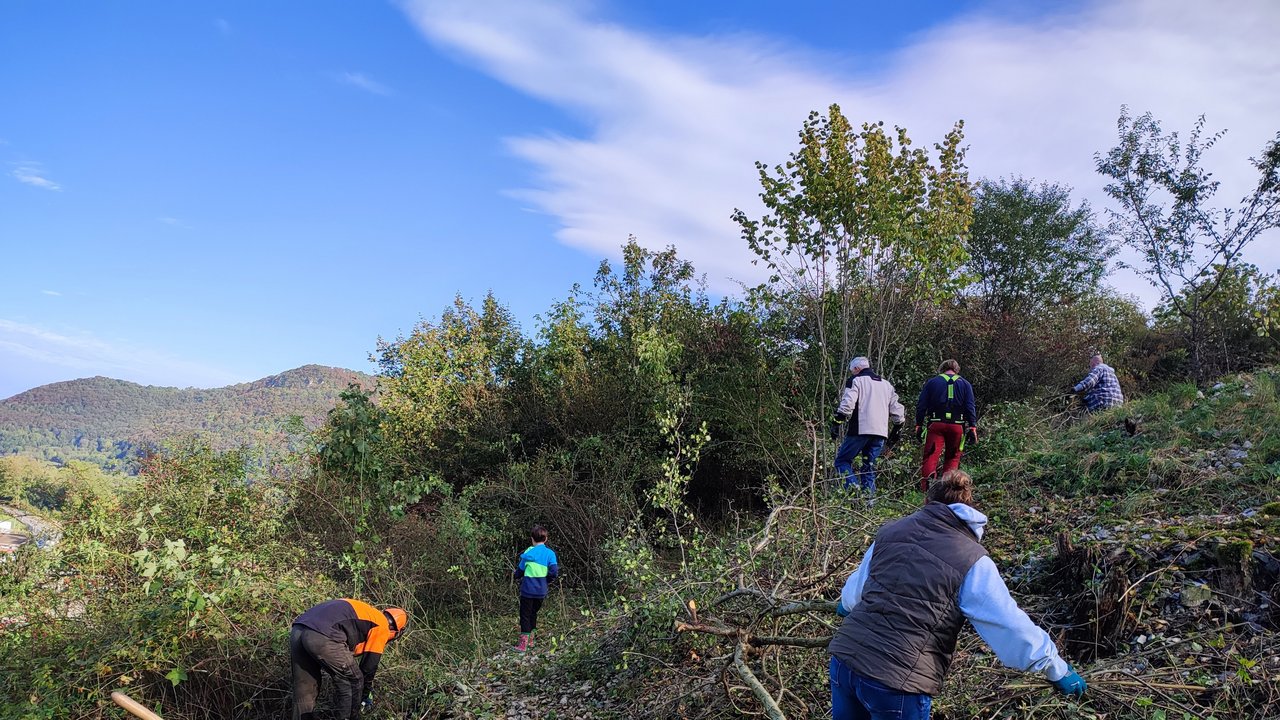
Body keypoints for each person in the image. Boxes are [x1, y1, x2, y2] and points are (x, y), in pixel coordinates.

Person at [828, 471, 1086, 719]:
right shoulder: (971, 558)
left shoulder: (890, 532)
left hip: (844, 663)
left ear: (927, 502)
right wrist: (1055, 668)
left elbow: (856, 592)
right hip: (897, 681)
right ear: (971, 511)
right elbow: (1008, 624)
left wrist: (846, 604)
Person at [290, 598, 407, 720]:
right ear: (397, 632)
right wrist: (365, 693)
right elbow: (368, 667)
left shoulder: (368, 614)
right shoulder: (382, 625)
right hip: (321, 635)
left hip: (298, 630)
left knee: (305, 689)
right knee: (353, 681)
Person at [829, 357, 906, 499]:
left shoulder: (856, 381)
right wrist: (896, 429)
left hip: (860, 429)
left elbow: (848, 404)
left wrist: (836, 422)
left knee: (842, 461)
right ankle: (868, 504)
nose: (852, 374)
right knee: (868, 468)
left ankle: (855, 493)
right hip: (880, 433)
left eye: (852, 371)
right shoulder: (887, 385)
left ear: (857, 369)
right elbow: (897, 411)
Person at [915, 359, 979, 492]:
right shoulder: (965, 384)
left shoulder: (932, 382)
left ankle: (927, 489)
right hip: (957, 426)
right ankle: (948, 490)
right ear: (957, 369)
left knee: (931, 456)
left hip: (936, 424)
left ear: (942, 368)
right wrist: (972, 426)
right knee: (952, 457)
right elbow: (970, 407)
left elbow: (921, 405)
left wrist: (919, 425)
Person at [513, 524, 559, 652]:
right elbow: (554, 572)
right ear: (546, 539)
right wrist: (546, 581)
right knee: (533, 613)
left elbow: (519, 571)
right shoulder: (550, 554)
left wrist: (515, 575)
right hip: (541, 591)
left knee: (525, 615)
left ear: (532, 539)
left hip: (527, 590)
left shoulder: (528, 553)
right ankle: (531, 641)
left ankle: (523, 645)